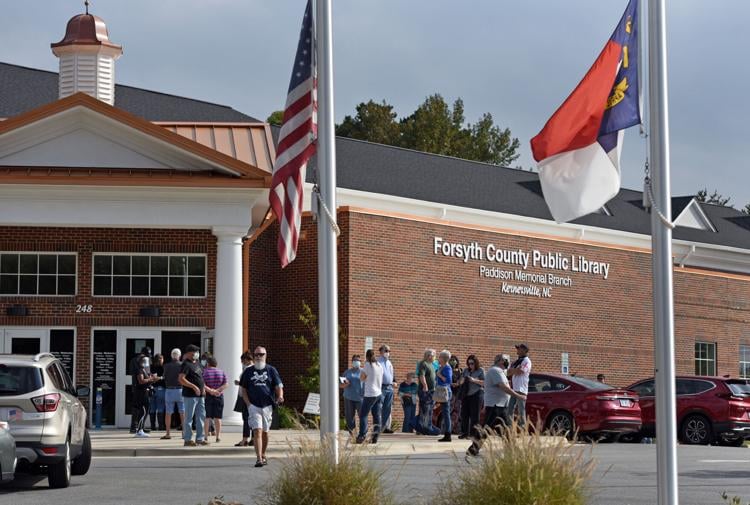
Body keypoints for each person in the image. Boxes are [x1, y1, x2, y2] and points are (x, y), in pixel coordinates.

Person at [467, 354, 525, 457]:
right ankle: (473, 449)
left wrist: (518, 370)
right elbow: (503, 386)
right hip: (495, 406)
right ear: (500, 361)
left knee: (507, 428)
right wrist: (517, 395)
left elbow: (509, 372)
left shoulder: (500, 371)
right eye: (506, 360)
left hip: (501, 405)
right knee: (486, 429)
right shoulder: (495, 371)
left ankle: (511, 449)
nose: (508, 362)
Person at [240, 346, 284, 468]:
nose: (259, 357)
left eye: (261, 354)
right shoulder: (248, 371)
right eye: (256, 354)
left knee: (265, 432)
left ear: (266, 355)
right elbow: (243, 389)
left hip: (267, 406)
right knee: (257, 431)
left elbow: (278, 385)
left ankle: (263, 454)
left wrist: (280, 396)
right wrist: (248, 404)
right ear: (253, 356)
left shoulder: (271, 370)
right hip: (253, 406)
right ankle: (259, 458)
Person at [179, 344, 207, 446]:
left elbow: (201, 378)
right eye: (195, 352)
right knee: (189, 418)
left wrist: (203, 388)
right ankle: (188, 439)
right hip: (190, 395)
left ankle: (200, 438)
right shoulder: (186, 364)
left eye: (197, 351)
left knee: (201, 417)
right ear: (189, 353)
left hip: (201, 396)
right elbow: (181, 379)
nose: (197, 353)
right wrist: (193, 387)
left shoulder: (199, 364)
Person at [356, 349, 384, 444]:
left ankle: (362, 435)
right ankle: (375, 437)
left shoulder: (368, 365)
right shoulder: (379, 365)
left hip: (370, 394)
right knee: (376, 415)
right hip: (379, 393)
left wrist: (364, 372)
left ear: (366, 356)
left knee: (363, 415)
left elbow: (362, 378)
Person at [458, 355, 484, 440]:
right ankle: (465, 433)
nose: (470, 365)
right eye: (469, 364)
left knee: (475, 415)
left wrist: (474, 380)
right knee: (464, 414)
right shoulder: (466, 370)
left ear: (476, 363)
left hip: (476, 394)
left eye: (472, 363)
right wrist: (461, 381)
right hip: (466, 395)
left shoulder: (480, 371)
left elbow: (484, 382)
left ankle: (473, 434)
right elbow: (460, 381)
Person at [203, 356, 228, 443]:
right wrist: (217, 390)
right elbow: (226, 384)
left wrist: (210, 391)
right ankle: (218, 436)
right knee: (218, 417)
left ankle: (205, 436)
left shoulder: (204, 372)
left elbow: (202, 384)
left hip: (208, 396)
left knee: (207, 417)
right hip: (219, 396)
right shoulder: (221, 372)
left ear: (208, 363)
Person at [134, 354, 159, 438]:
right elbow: (141, 381)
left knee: (145, 410)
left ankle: (140, 429)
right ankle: (139, 430)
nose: (147, 363)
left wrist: (153, 379)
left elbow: (147, 381)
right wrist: (150, 379)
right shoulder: (139, 370)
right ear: (141, 362)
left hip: (144, 392)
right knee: (143, 411)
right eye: (145, 361)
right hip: (141, 393)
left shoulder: (144, 369)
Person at [162, 348, 185, 440]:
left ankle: (168, 433)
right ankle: (184, 433)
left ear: (171, 356)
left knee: (168, 412)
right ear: (179, 356)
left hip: (169, 390)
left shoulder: (166, 366)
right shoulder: (182, 365)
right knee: (182, 412)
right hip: (180, 390)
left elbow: (164, 377)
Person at [507, 343, 532, 428]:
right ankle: (510, 429)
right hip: (514, 388)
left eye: (519, 348)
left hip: (521, 389)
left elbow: (521, 371)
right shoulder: (516, 361)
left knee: (521, 410)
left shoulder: (527, 361)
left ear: (524, 350)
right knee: (509, 409)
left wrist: (514, 370)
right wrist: (515, 370)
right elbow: (508, 372)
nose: (517, 350)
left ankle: (523, 428)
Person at [416, 349, 439, 435]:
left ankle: (426, 427)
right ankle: (423, 428)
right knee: (425, 409)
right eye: (433, 355)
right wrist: (425, 385)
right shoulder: (423, 363)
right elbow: (422, 375)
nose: (434, 357)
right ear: (429, 356)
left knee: (429, 410)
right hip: (425, 391)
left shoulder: (432, 365)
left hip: (431, 391)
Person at [129, 346, 152, 433]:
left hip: (137, 386)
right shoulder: (141, 361)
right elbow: (141, 373)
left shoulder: (134, 360)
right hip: (140, 387)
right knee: (143, 407)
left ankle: (137, 427)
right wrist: (150, 379)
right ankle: (138, 427)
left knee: (137, 407)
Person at [233, 351, 254, 447]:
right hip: (250, 396)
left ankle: (245, 439)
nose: (242, 362)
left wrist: (239, 383)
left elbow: (247, 383)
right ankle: (253, 438)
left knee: (246, 418)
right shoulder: (253, 369)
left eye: (242, 360)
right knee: (252, 418)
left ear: (246, 359)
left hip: (246, 397)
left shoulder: (248, 369)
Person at [340, 354, 363, 435]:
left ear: (360, 362)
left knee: (362, 417)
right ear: (352, 362)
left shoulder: (363, 372)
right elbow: (340, 384)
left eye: (358, 360)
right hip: (348, 397)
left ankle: (362, 434)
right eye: (355, 360)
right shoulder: (347, 372)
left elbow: (368, 384)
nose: (356, 362)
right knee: (350, 417)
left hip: (360, 398)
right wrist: (345, 384)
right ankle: (352, 434)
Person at [377, 345, 396, 434]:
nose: (388, 352)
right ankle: (379, 427)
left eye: (389, 351)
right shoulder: (377, 362)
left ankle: (385, 427)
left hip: (390, 387)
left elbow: (391, 374)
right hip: (381, 387)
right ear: (381, 351)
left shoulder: (389, 362)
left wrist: (394, 381)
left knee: (388, 408)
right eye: (386, 350)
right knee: (379, 408)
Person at [435, 350, 453, 442]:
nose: (438, 358)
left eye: (440, 357)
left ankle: (448, 434)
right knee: (445, 412)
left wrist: (439, 375)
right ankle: (447, 433)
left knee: (446, 413)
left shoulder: (447, 368)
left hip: (445, 392)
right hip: (441, 392)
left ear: (443, 358)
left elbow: (449, 380)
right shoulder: (442, 367)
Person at [149, 353, 166, 431]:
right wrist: (160, 378)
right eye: (162, 359)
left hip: (152, 389)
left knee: (152, 408)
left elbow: (149, 376)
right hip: (161, 389)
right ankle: (161, 426)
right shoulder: (163, 367)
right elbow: (165, 377)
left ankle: (152, 426)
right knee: (160, 407)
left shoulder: (151, 367)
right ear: (161, 359)